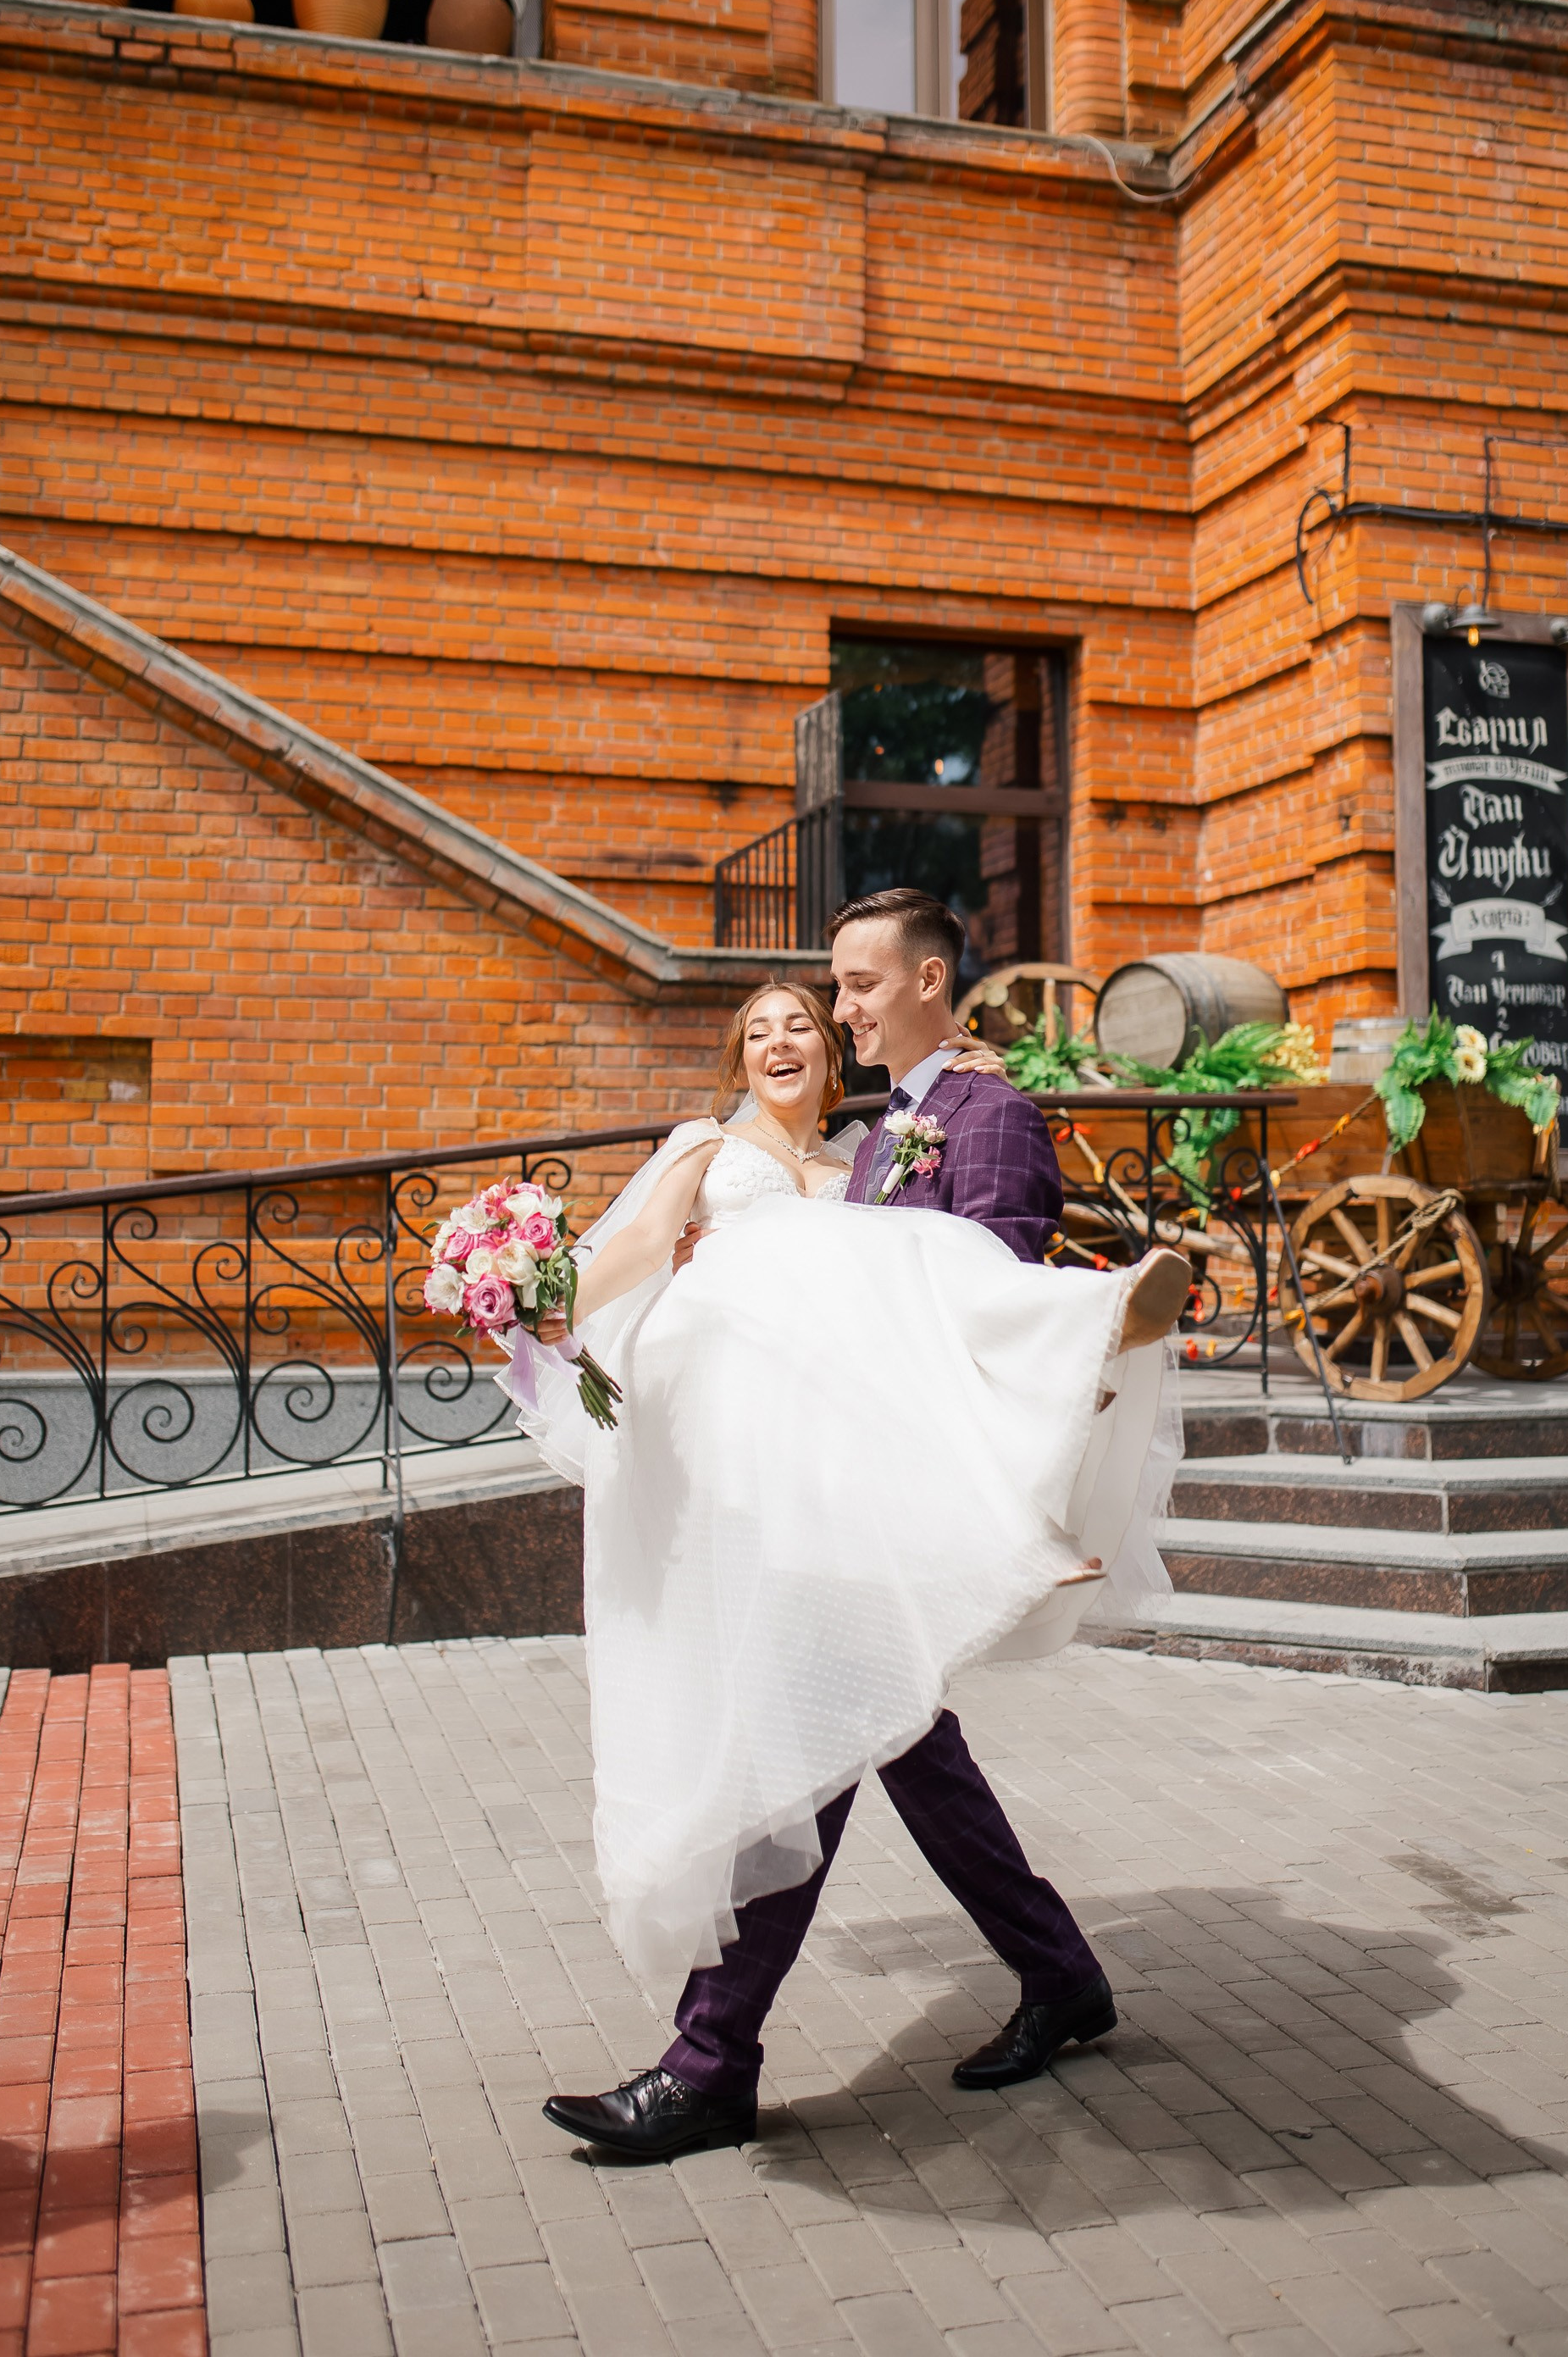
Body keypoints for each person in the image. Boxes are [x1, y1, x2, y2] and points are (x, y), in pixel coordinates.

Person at [507, 890, 1188, 2161]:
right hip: (808, 1488)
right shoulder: (883, 1136)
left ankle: (711, 2066)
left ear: (931, 980)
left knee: (809, 1748)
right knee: (902, 1747)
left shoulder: (982, 1112)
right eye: (832, 993)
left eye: (856, 989)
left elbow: (977, 1287)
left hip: (875, 1492)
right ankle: (1059, 1976)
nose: (839, 1009)